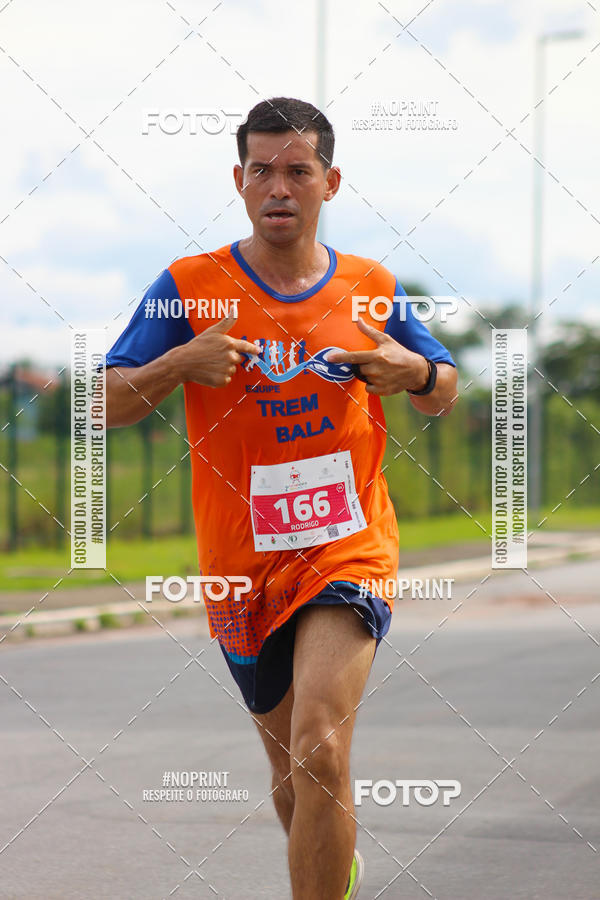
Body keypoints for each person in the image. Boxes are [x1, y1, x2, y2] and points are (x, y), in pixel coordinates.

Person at [105, 96, 457, 899]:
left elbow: (443, 390)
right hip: (241, 563)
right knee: (292, 773)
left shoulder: (373, 288)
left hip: (348, 546)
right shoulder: (189, 286)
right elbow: (107, 400)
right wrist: (179, 363)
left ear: (331, 183)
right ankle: (334, 869)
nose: (279, 186)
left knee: (320, 747)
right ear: (238, 179)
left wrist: (419, 374)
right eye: (262, 169)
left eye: (299, 170)